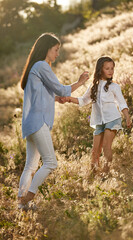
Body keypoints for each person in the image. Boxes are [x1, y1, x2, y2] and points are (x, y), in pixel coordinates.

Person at [18, 32, 89, 210]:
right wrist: (80, 82)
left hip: (30, 123)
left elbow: (44, 93)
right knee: (51, 162)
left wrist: (56, 99)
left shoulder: (34, 67)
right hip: (38, 122)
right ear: (47, 49)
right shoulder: (42, 65)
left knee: (31, 166)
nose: (57, 54)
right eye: (56, 50)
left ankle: (21, 204)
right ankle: (27, 198)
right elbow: (62, 89)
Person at [61, 56, 131, 173]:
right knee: (95, 151)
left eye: (112, 68)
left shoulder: (114, 87)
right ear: (100, 70)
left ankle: (105, 173)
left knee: (106, 146)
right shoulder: (93, 87)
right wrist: (69, 98)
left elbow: (122, 103)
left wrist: (127, 117)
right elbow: (83, 100)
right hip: (99, 122)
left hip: (113, 119)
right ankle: (94, 175)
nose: (110, 71)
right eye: (107, 68)